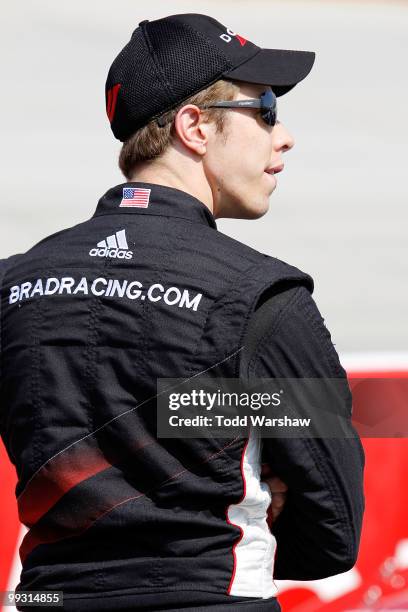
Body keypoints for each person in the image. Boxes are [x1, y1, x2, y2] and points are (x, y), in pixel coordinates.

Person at [0, 13, 364, 612]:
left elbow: (134, 407)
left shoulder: (15, 283)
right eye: (266, 109)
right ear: (194, 127)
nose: (285, 136)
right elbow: (334, 532)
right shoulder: (263, 293)